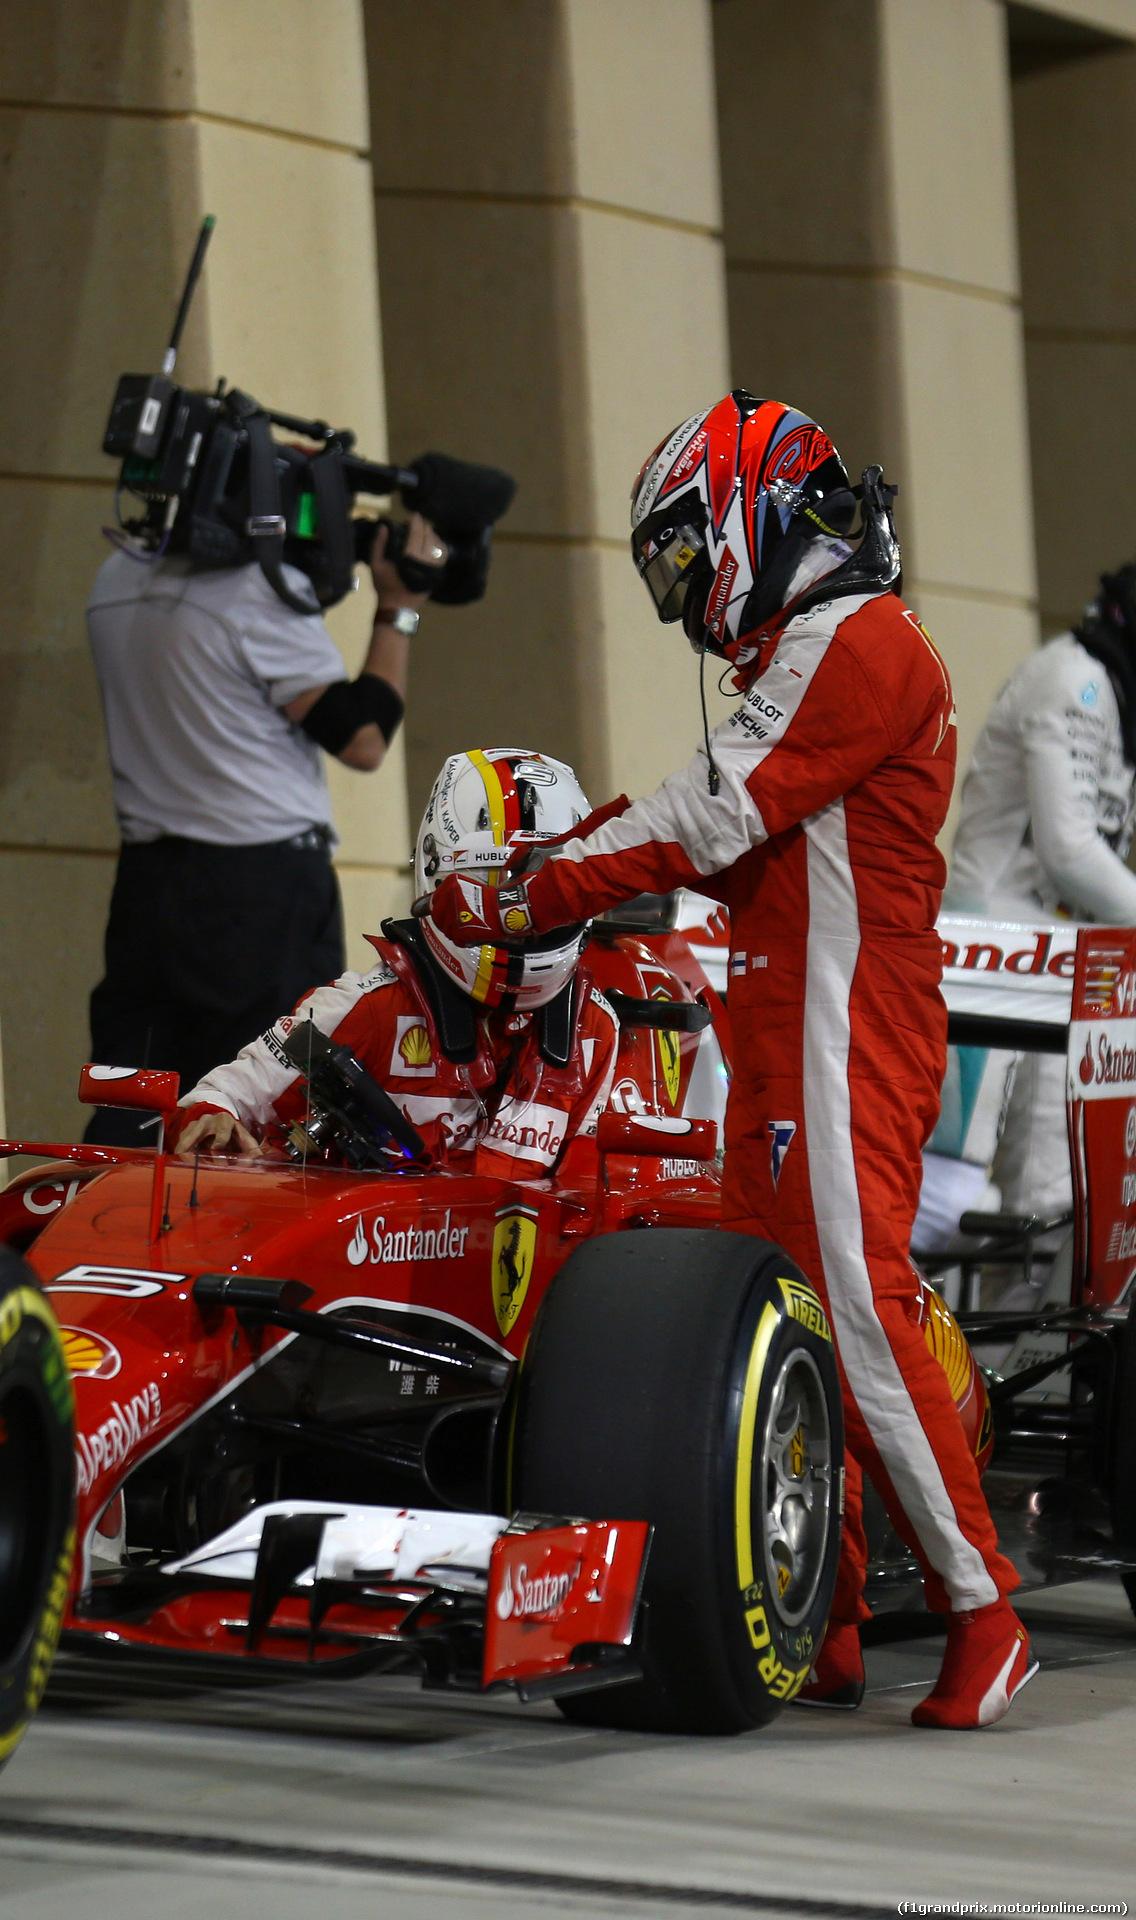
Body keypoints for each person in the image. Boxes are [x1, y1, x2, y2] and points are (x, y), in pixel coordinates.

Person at [424, 391, 1035, 1731]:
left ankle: (985, 1608)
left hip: (844, 1018)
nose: (684, 595)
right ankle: (830, 1616)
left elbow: (702, 819)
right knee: (796, 1318)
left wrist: (528, 892)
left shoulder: (859, 642)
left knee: (859, 1308)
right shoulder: (818, 650)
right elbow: (709, 824)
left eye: (688, 557)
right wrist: (558, 872)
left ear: (758, 512)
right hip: (788, 1018)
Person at [84, 516, 442, 1144]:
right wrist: (398, 606)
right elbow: (362, 737)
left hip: (148, 883)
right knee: (266, 1096)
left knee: (137, 1096)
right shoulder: (253, 593)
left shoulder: (116, 576)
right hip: (258, 894)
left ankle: (103, 1232)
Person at [173, 748, 620, 1182]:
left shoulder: (595, 1028)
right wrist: (214, 1118)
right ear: (436, 877)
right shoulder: (362, 1006)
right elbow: (217, 1099)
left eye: (546, 897)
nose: (519, 922)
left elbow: (587, 1204)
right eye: (492, 894)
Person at [945, 563, 1136, 1223]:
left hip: (1065, 962)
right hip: (990, 958)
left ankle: (1016, 1331)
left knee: (1054, 1204)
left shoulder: (1117, 689)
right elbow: (1070, 851)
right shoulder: (1074, 678)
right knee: (953, 1194)